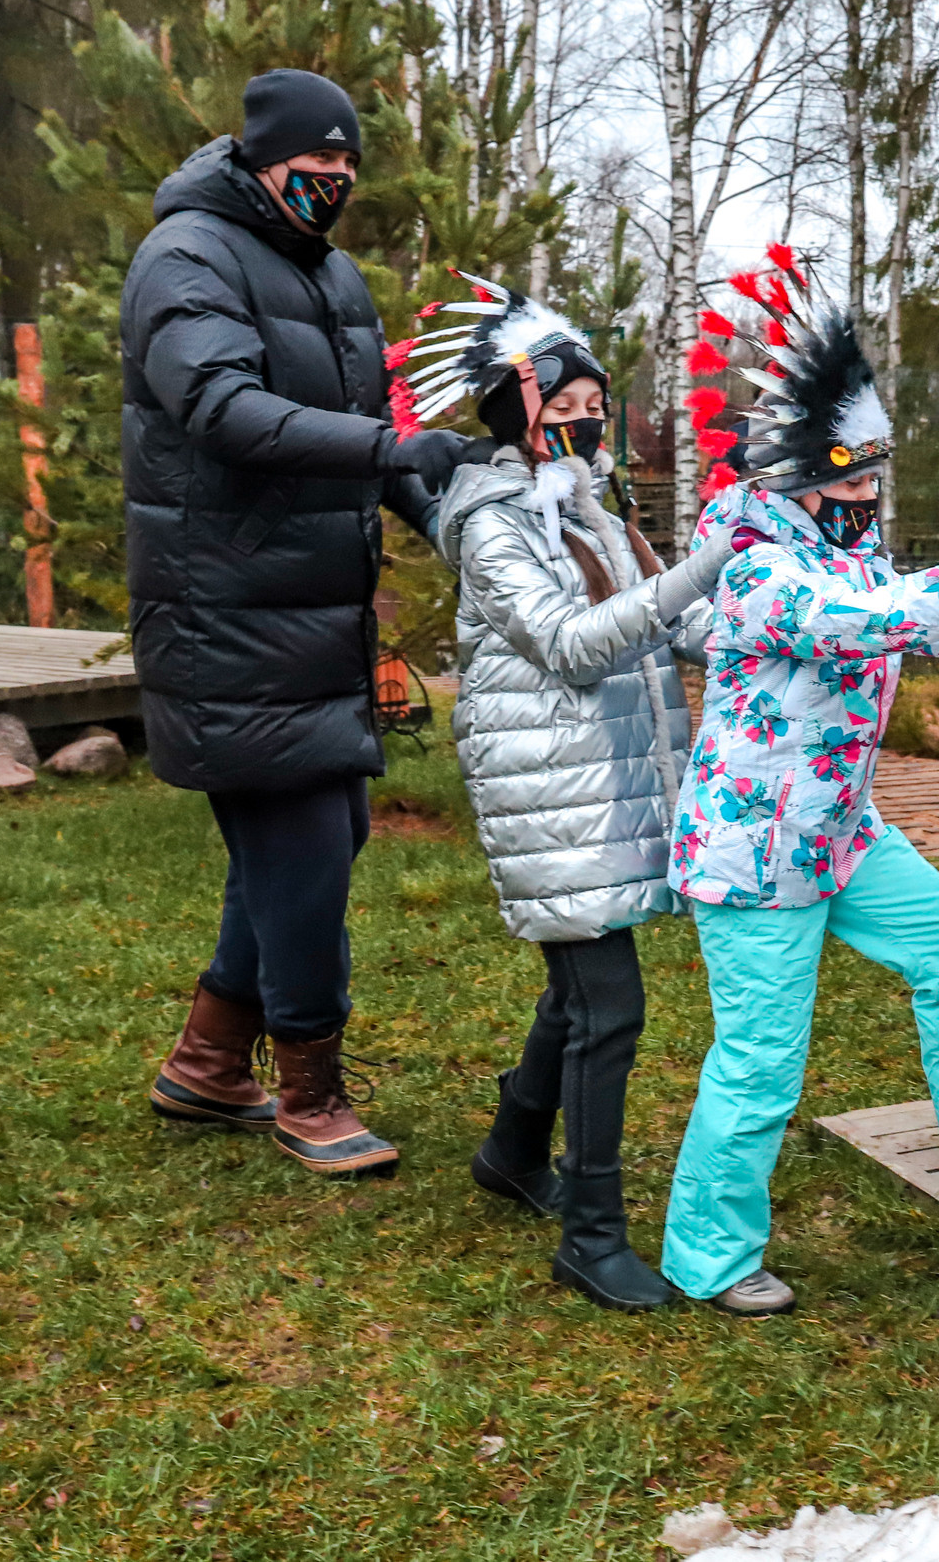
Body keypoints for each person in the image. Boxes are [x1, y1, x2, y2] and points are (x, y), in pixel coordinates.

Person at [129, 68, 497, 1180]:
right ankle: (310, 1093)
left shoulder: (331, 275)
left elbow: (367, 436)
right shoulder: (185, 257)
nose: (333, 177)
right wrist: (394, 447)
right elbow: (222, 409)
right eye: (315, 159)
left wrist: (462, 528)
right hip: (225, 607)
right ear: (260, 158)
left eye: (347, 162)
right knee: (303, 854)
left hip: (312, 608)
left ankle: (208, 1062)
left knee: (318, 836)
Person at [659, 247, 939, 1317]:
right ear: (796, 476)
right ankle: (708, 1255)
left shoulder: (846, 553)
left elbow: (929, 625)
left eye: (874, 477)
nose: (868, 496)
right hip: (754, 852)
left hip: (844, 833)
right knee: (762, 1061)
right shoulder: (753, 565)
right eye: (851, 478)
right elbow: (866, 624)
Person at [398, 272, 734, 1309]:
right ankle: (592, 1235)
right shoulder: (492, 525)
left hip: (611, 783)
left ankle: (511, 1149)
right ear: (516, 414)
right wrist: (700, 568)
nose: (589, 425)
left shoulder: (593, 508)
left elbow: (675, 625)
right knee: (608, 1008)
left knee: (576, 992)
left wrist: (769, 619)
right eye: (568, 408)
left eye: (597, 407)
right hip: (548, 789)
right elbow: (571, 644)